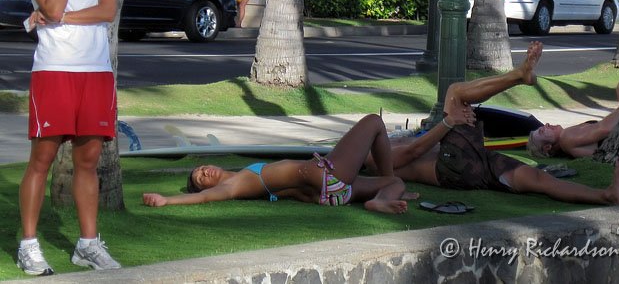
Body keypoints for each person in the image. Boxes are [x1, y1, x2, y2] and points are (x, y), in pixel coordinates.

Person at [366, 42, 619, 206]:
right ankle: (518, 76)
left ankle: (606, 195)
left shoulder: (377, 149)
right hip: (451, 166)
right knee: (455, 93)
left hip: (473, 166)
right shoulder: (371, 157)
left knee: (538, 179)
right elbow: (414, 151)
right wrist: (448, 122)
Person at [16, 0, 121, 276]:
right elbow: (53, 5)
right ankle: (29, 246)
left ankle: (88, 245)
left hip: (96, 71)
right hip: (54, 69)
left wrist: (64, 18)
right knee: (41, 160)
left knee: (88, 161)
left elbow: (107, 9)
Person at [142, 112, 428, 214]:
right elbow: (204, 198)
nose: (204, 171)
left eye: (201, 169)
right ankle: (384, 192)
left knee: (396, 181)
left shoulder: (244, 176)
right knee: (374, 122)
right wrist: (167, 200)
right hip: (328, 175)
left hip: (334, 194)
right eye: (201, 178)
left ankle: (382, 198)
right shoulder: (234, 185)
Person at [528, 62, 619, 158]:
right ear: (547, 147)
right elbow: (605, 128)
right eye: (542, 131)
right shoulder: (567, 137)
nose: (546, 124)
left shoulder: (567, 144)